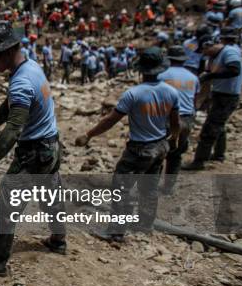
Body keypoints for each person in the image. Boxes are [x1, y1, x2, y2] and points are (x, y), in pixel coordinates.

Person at [0, 21, 66, 276]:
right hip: (52, 145)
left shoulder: (21, 82)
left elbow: (14, 129)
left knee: (7, 204)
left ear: (9, 51)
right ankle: (58, 239)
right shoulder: (30, 66)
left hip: (34, 151)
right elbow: (10, 102)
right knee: (49, 193)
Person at [76, 48, 180, 242]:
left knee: (121, 188)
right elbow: (175, 122)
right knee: (149, 187)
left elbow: (110, 120)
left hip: (139, 149)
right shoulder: (171, 92)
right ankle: (145, 224)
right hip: (160, 146)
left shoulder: (133, 94)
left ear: (140, 69)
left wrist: (89, 135)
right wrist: (173, 140)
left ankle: (116, 231)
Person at [183, 27, 242, 169]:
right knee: (219, 125)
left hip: (227, 96)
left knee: (209, 129)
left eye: (204, 51)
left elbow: (234, 69)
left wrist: (210, 76)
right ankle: (219, 154)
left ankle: (199, 161)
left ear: (209, 46)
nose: (203, 55)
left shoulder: (229, 52)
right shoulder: (215, 56)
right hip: (219, 94)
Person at [158, 46, 199, 193]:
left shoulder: (162, 76)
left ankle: (149, 186)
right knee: (176, 154)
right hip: (187, 118)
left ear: (168, 59)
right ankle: (169, 187)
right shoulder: (193, 77)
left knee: (158, 153)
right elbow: (194, 100)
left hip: (167, 118)